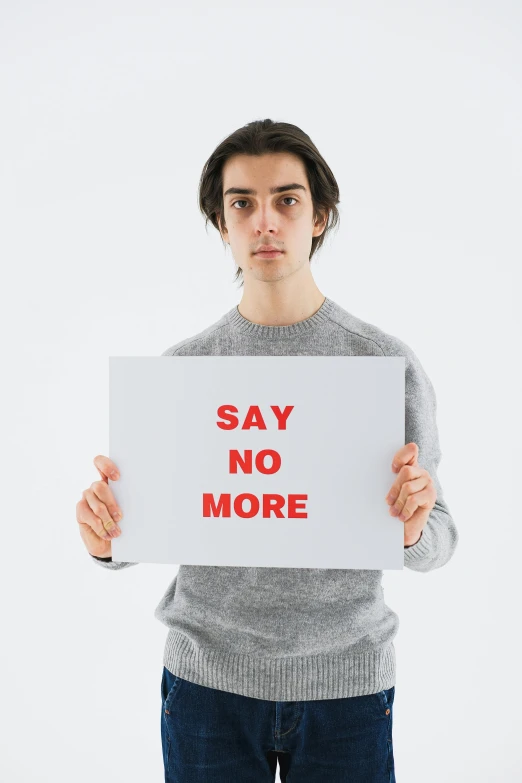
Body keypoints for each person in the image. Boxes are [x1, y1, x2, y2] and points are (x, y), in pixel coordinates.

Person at [76, 119, 459, 782]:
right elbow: (137, 531)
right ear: (221, 225)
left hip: (348, 687)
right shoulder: (183, 373)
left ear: (320, 215)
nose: (264, 223)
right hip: (206, 687)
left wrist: (414, 525)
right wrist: (103, 535)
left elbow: (440, 539)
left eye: (286, 200)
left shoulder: (383, 364)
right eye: (242, 204)